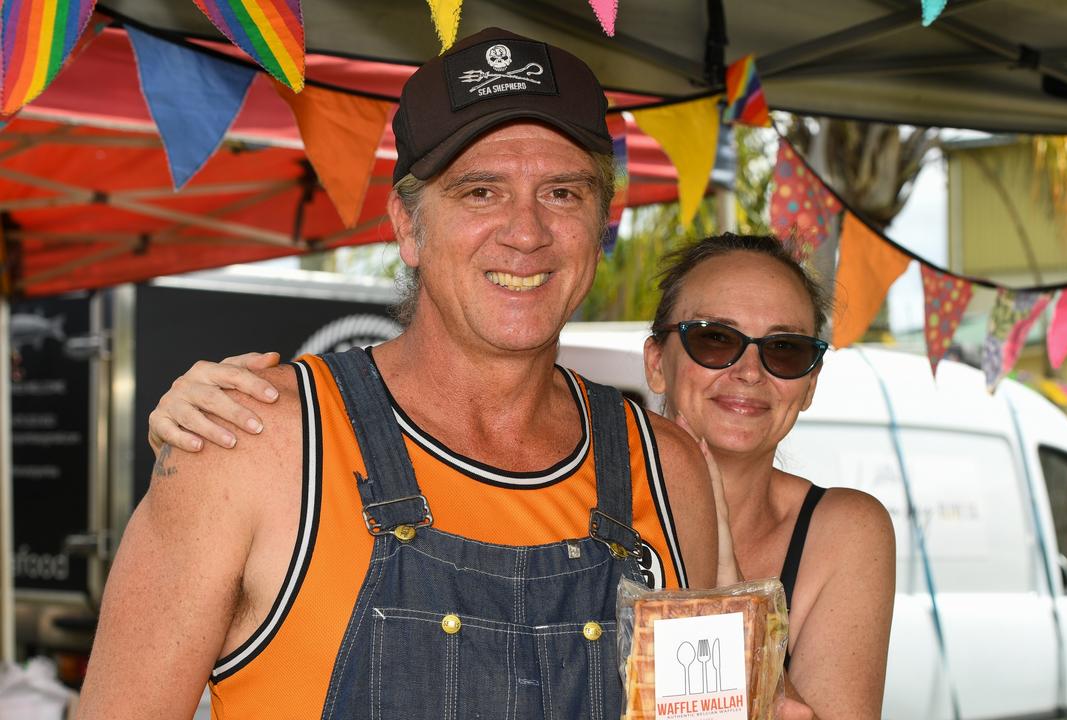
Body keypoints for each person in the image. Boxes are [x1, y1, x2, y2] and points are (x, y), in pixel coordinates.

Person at [78, 27, 721, 720]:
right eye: (481, 192)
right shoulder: (252, 446)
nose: (527, 231)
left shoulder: (668, 469)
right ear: (407, 227)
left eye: (563, 193)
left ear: (601, 225)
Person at [150, 235, 895, 718]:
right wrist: (198, 425)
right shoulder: (560, 480)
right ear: (656, 360)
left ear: (811, 379)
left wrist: (732, 611)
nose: (748, 371)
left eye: (787, 350)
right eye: (715, 339)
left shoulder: (842, 533)